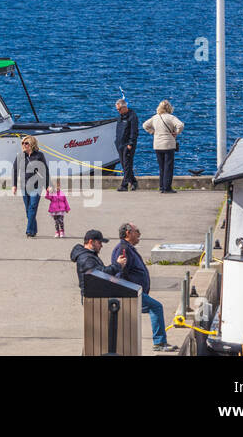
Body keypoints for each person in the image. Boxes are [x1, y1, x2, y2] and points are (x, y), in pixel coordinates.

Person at [110, 222, 175, 351]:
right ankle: (159, 342)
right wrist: (128, 290)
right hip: (131, 291)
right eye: (136, 231)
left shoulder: (128, 247)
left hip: (135, 291)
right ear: (128, 233)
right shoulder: (123, 248)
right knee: (156, 307)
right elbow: (119, 271)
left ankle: (127, 345)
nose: (139, 234)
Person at [10, 135, 50, 238]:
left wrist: (47, 186)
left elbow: (45, 171)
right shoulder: (20, 156)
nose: (24, 145)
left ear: (32, 144)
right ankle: (34, 229)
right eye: (23, 143)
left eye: (26, 143)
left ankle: (28, 230)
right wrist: (14, 185)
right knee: (28, 210)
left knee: (32, 207)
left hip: (37, 186)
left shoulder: (39, 155)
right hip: (24, 186)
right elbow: (14, 170)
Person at [69, 228, 128, 296]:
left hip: (95, 294)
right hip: (92, 297)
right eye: (99, 243)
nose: (101, 246)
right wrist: (117, 265)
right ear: (91, 242)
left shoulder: (89, 254)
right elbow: (100, 274)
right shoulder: (86, 259)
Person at [142, 100, 184, 193]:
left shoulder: (155, 118)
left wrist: (153, 132)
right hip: (168, 145)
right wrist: (176, 132)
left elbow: (145, 125)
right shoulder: (171, 117)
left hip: (157, 145)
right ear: (169, 108)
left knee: (161, 167)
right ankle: (167, 187)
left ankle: (161, 186)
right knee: (168, 167)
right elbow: (180, 125)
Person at [114, 98, 139, 191]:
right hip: (119, 144)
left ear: (124, 107)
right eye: (117, 109)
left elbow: (134, 131)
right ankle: (133, 182)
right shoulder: (120, 117)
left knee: (127, 164)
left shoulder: (132, 116)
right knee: (124, 165)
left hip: (128, 144)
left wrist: (131, 143)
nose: (118, 111)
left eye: (119, 109)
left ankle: (124, 185)